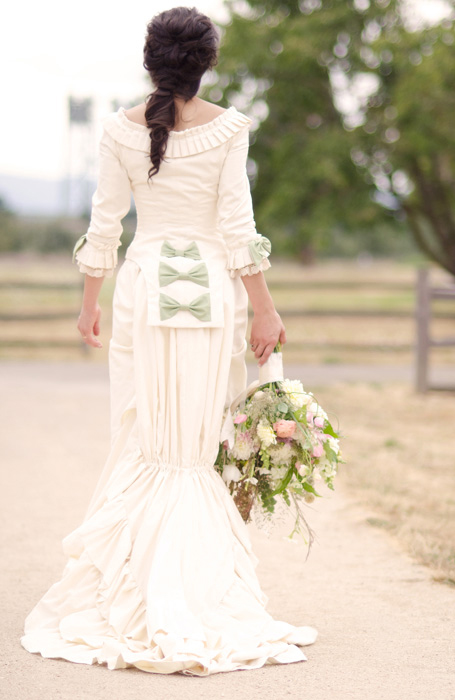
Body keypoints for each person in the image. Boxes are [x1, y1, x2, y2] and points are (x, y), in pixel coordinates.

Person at [20, 6, 318, 676]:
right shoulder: (231, 129)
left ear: (149, 60)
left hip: (145, 294)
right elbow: (238, 229)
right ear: (206, 62)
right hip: (211, 297)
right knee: (197, 442)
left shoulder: (117, 130)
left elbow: (106, 227)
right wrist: (263, 310)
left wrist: (88, 303)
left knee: (144, 438)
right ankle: (194, 586)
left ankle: (136, 579)